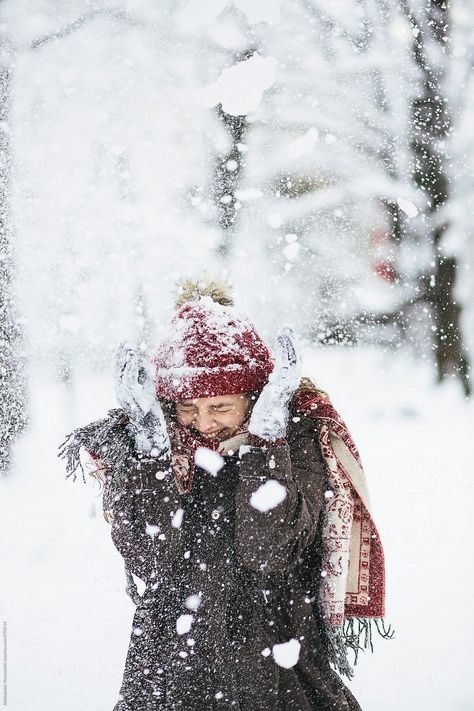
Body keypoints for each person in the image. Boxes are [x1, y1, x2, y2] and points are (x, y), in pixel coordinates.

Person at [59, 280, 389, 711]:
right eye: (188, 409)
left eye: (219, 407)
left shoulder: (297, 435)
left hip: (279, 654)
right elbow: (152, 560)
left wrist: (265, 445)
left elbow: (267, 549)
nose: (204, 425)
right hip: (172, 666)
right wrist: (150, 448)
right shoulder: (149, 445)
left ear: (252, 396)